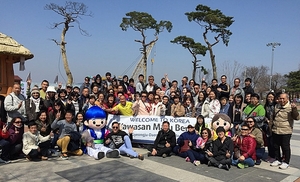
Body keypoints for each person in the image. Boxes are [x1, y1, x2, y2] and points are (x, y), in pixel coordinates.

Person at [270, 93, 299, 169]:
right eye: (280, 98)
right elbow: (272, 117)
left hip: (286, 130)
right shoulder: (276, 106)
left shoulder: (290, 107)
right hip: (276, 129)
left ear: (287, 99)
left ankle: (286, 161)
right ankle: (278, 159)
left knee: (285, 146)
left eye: (283, 98)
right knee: (276, 145)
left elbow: (296, 117)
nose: (282, 100)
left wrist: (294, 109)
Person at [264, 92, 276, 163]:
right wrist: (266, 120)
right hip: (268, 125)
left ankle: (274, 156)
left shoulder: (276, 105)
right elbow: (264, 114)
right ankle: (270, 155)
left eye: (271, 97)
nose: (270, 98)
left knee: (273, 142)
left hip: (274, 125)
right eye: (269, 97)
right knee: (269, 141)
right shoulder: (266, 105)